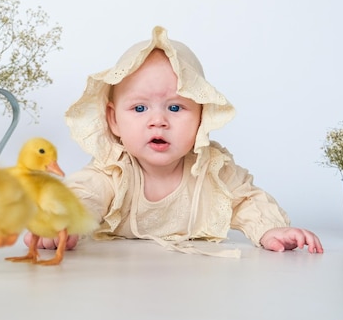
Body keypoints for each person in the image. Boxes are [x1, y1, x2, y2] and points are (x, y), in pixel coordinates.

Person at [25, 26, 323, 255]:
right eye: (140, 108)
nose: (158, 121)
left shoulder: (212, 170)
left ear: (202, 117)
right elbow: (85, 194)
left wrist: (270, 230)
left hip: (198, 284)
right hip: (119, 280)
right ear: (113, 119)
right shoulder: (113, 170)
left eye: (176, 107)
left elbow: (247, 200)